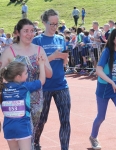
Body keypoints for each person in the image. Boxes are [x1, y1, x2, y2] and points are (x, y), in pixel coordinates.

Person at [0, 18, 52, 149]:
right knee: (22, 136)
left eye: (32, 31)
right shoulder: (9, 51)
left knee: (31, 134)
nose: (30, 34)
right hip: (17, 103)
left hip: (36, 101)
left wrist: (42, 64)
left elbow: (49, 74)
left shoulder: (39, 49)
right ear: (18, 32)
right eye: (26, 31)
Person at [32, 9, 71, 150]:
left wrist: (65, 58)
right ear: (44, 22)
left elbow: (64, 62)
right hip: (44, 86)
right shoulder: (37, 41)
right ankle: (35, 142)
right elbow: (35, 65)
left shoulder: (60, 38)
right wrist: (53, 57)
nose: (54, 27)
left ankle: (65, 147)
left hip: (61, 85)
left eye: (56, 24)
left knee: (65, 120)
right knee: (41, 120)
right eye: (52, 24)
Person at [0, 57, 45, 150]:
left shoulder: (3, 88)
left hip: (8, 128)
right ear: (18, 77)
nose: (27, 75)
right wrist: (41, 65)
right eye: (26, 73)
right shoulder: (25, 87)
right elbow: (42, 81)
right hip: (23, 128)